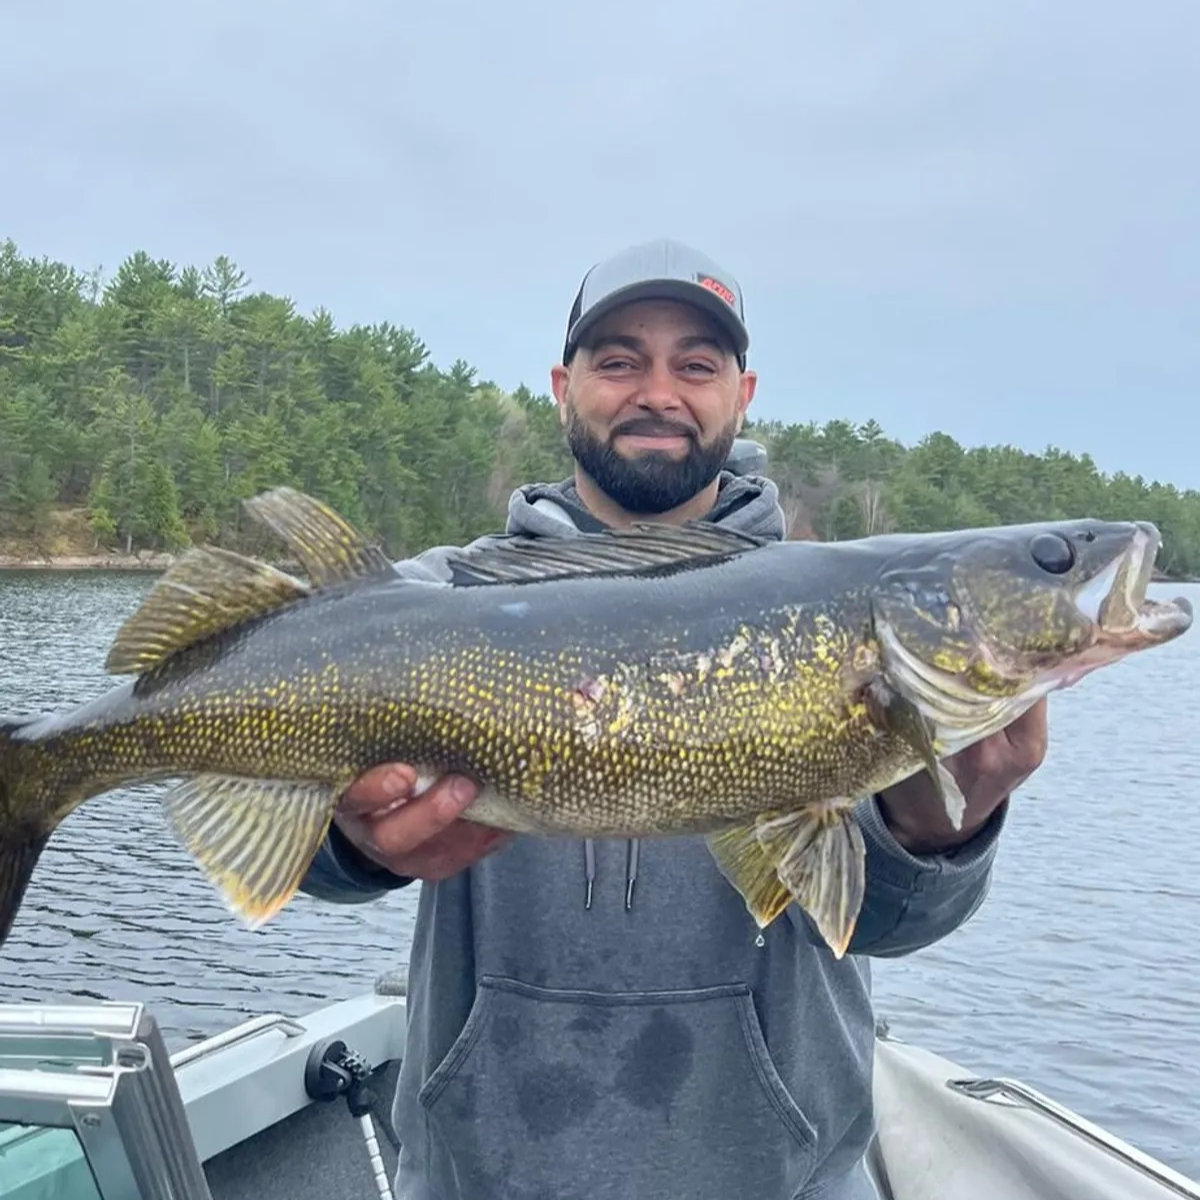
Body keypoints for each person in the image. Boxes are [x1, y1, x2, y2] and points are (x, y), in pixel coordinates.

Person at [300, 238, 1049, 1200]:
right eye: (620, 361)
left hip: (779, 1177)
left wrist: (939, 829)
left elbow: (885, 923)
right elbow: (292, 847)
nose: (658, 390)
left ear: (743, 393)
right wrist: (357, 845)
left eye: (696, 364)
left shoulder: (847, 611)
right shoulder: (436, 601)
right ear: (564, 386)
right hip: (483, 1173)